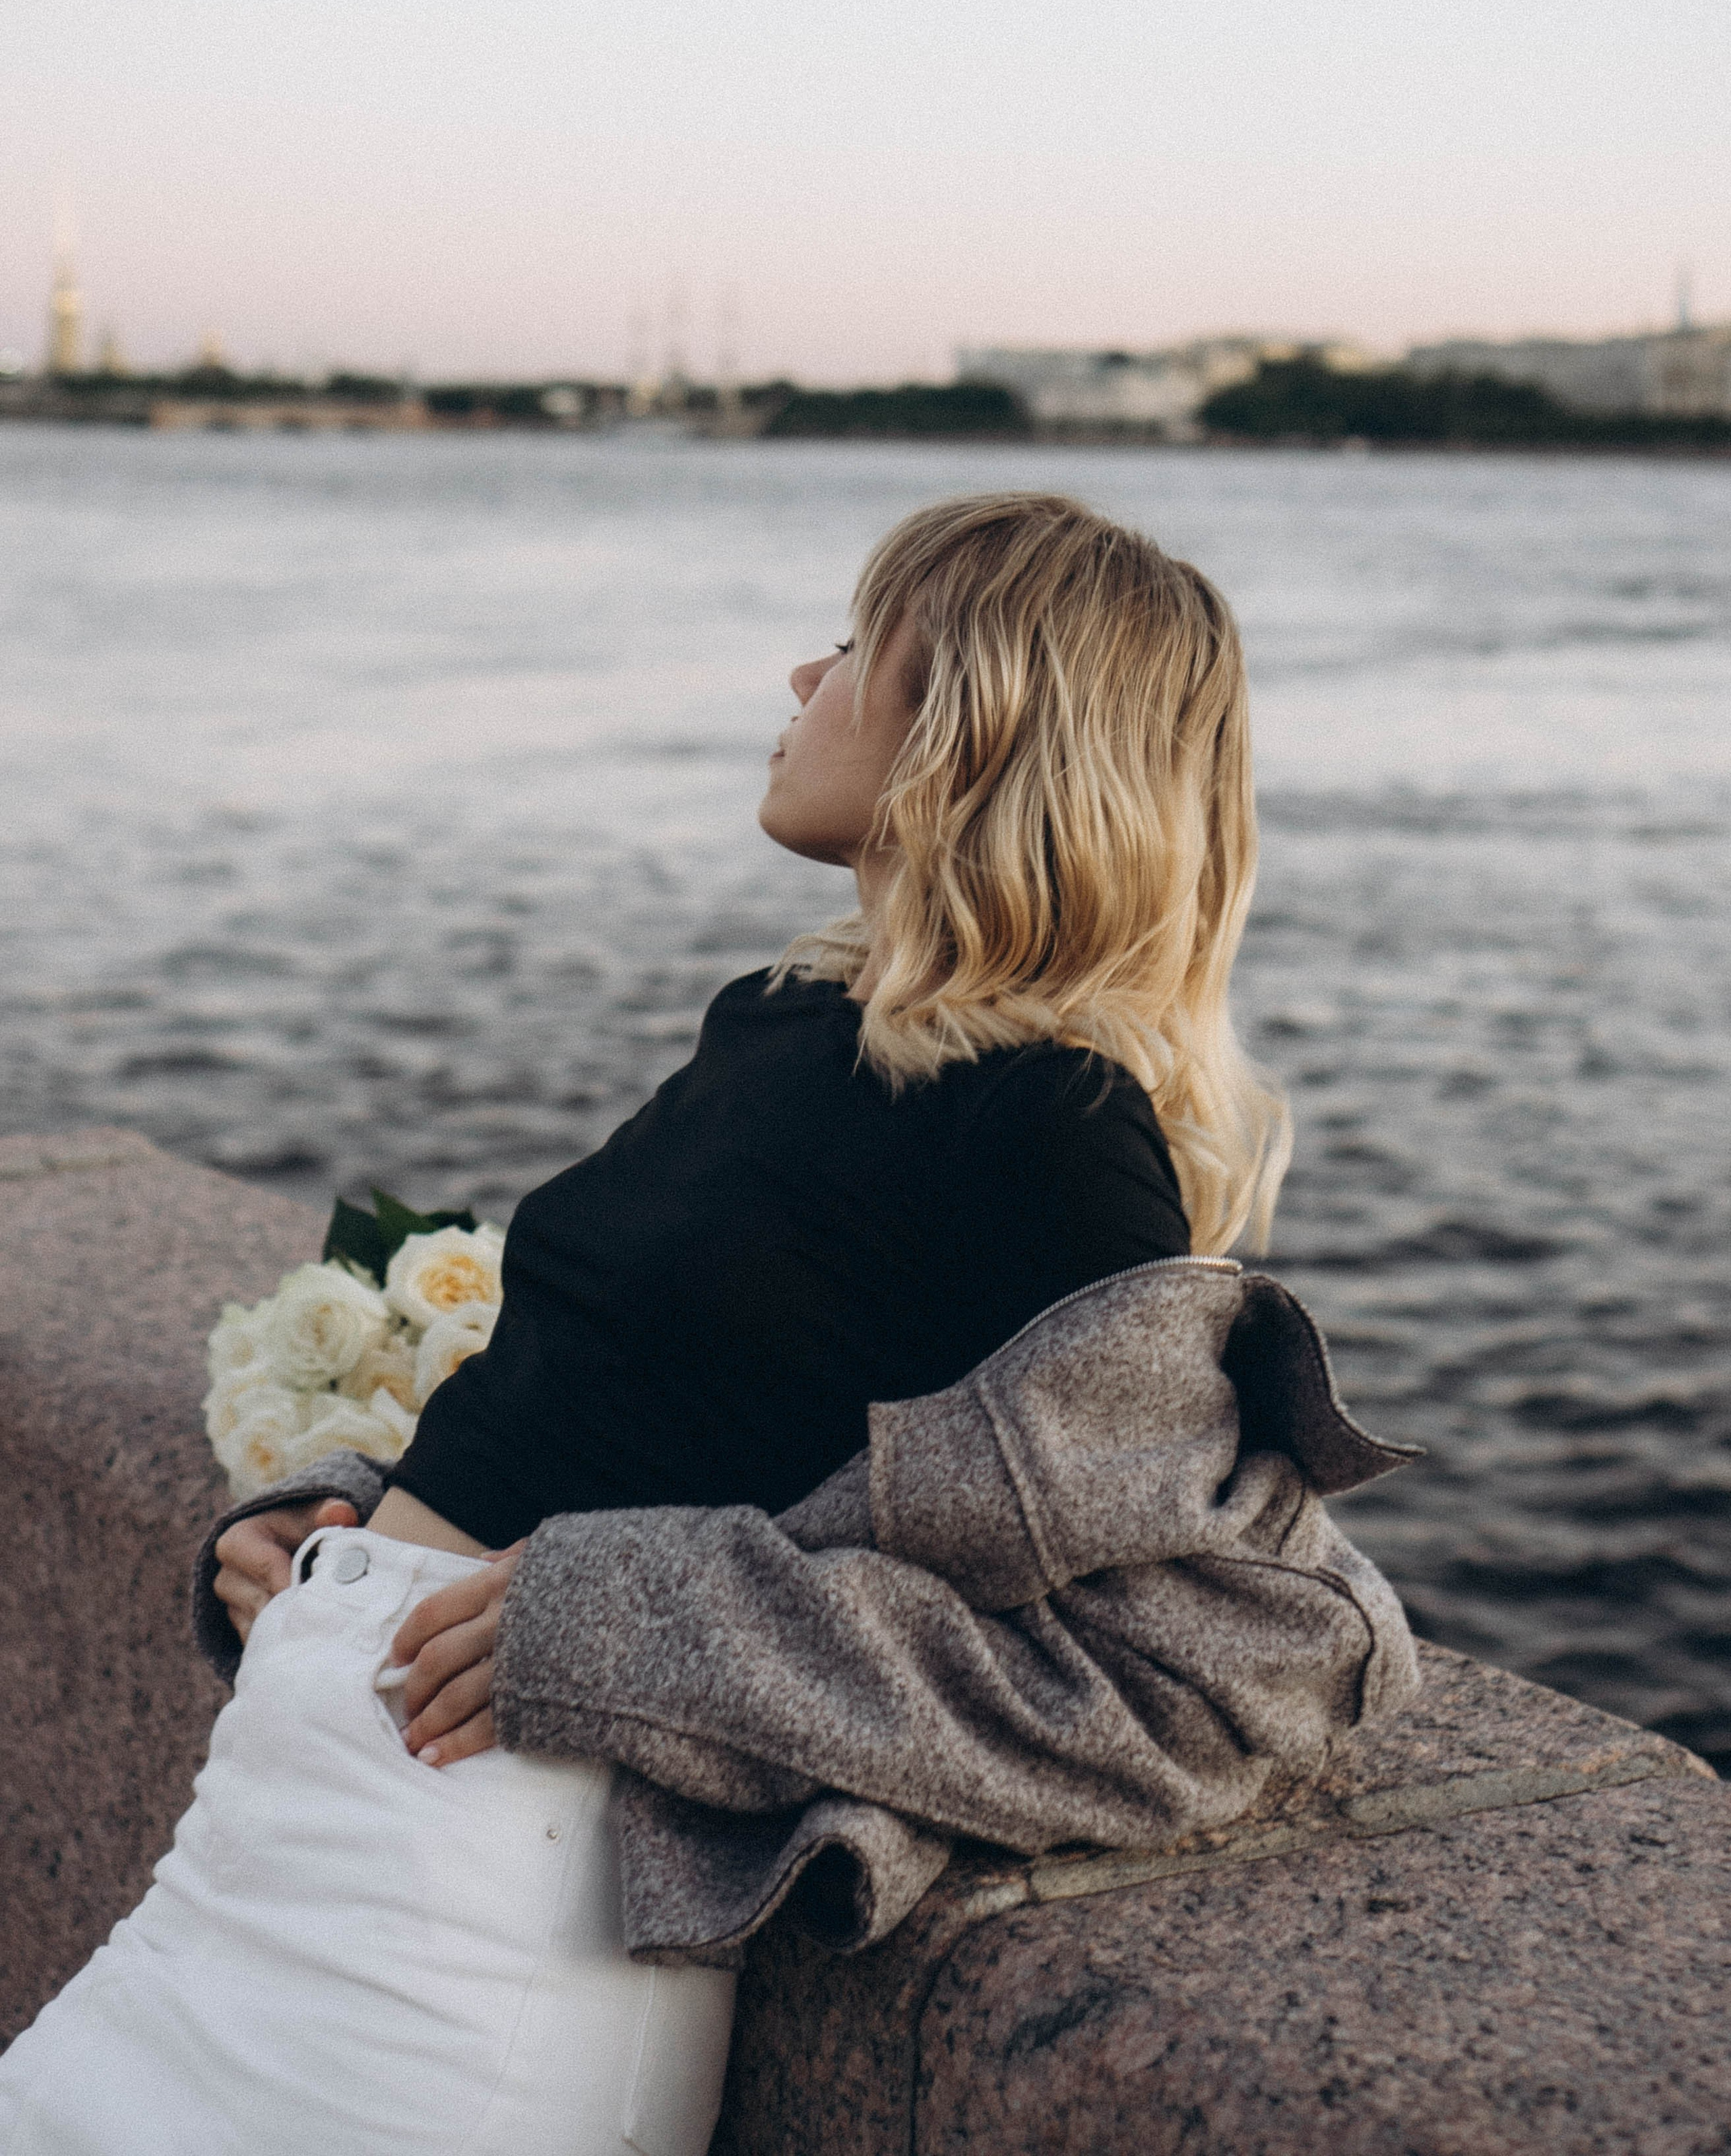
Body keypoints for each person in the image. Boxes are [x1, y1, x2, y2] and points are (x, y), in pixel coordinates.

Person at [0, 491, 1300, 2155]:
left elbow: (1195, 1681)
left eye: (849, 644)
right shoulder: (785, 1023)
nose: (798, 672)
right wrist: (326, 1526)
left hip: (472, 1926)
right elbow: (633, 1404)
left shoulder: (1053, 1136)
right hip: (284, 1828)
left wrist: (627, 1624)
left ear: (971, 723)